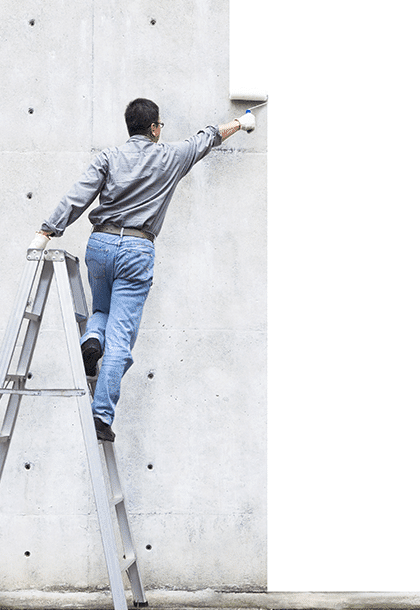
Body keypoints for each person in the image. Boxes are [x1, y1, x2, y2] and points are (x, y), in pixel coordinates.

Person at [27, 98, 255, 443]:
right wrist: (241, 122)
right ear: (153, 128)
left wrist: (47, 231)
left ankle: (91, 339)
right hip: (136, 249)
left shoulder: (109, 157)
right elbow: (207, 137)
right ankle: (101, 417)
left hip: (100, 245)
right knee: (120, 338)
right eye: (159, 125)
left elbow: (78, 195)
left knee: (101, 311)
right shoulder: (170, 156)